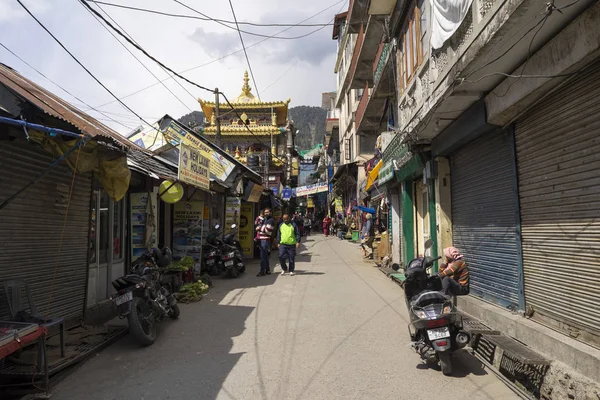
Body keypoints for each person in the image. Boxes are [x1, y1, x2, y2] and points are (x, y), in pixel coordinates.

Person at [256, 208, 275, 276]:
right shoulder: (265, 220)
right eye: (265, 212)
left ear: (270, 212)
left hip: (265, 240)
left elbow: (267, 230)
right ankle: (267, 270)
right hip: (262, 239)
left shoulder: (271, 220)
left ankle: (262, 271)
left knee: (263, 256)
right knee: (265, 256)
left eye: (267, 212)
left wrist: (259, 228)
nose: (266, 213)